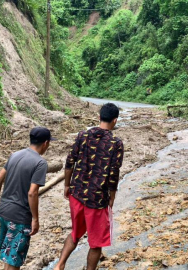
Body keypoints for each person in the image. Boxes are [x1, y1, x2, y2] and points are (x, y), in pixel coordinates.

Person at [54, 103, 124, 270]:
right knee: (96, 242)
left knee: (75, 233)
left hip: (76, 193)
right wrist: (112, 196)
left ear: (99, 117)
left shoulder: (82, 135)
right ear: (115, 121)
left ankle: (59, 265)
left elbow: (70, 161)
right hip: (97, 199)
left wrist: (66, 185)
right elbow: (114, 173)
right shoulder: (116, 143)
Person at [0, 127, 55, 270]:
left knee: (9, 255)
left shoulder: (15, 155)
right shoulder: (40, 163)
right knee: (15, 259)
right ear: (45, 143)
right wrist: (35, 219)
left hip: (4, 212)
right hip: (19, 217)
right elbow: (32, 193)